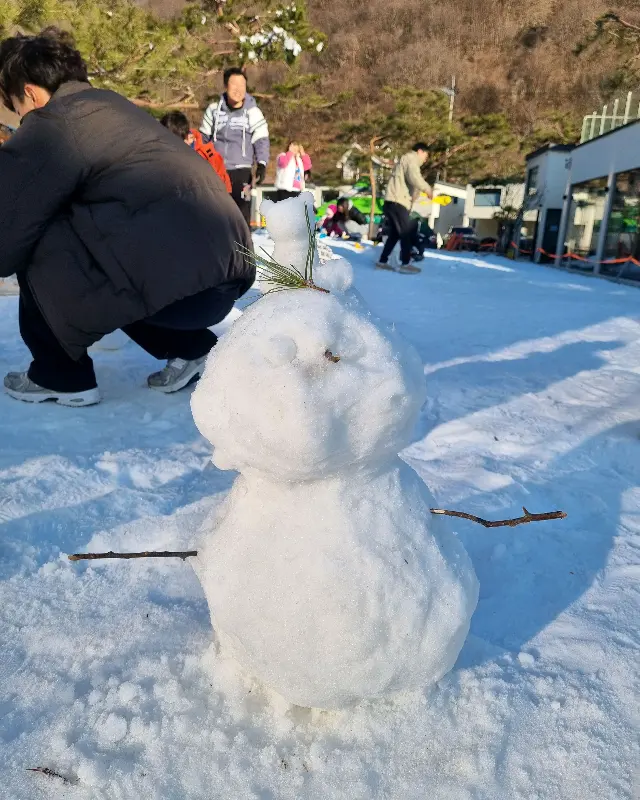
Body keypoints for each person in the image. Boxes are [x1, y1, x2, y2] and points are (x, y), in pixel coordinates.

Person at [0, 31, 254, 408]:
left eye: (14, 105)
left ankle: (60, 373)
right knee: (123, 252)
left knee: (38, 227)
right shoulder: (117, 109)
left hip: (178, 288)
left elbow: (6, 235)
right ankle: (194, 349)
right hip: (225, 280)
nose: (18, 117)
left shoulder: (52, 123)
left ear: (31, 93)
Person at [200, 67, 270, 227]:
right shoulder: (213, 110)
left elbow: (261, 140)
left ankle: (244, 249)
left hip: (242, 170)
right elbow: (203, 139)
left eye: (242, 85)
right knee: (216, 212)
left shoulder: (253, 112)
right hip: (216, 170)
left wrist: (262, 164)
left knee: (241, 212)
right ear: (226, 86)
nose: (238, 90)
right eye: (234, 84)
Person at [376, 143, 433, 274]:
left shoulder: (405, 161)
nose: (426, 159)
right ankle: (405, 264)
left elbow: (410, 182)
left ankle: (382, 262)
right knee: (406, 231)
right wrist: (427, 189)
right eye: (426, 155)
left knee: (395, 234)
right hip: (397, 201)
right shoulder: (411, 158)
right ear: (420, 151)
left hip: (393, 201)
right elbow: (414, 177)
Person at [160, 110, 231, 192]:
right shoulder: (159, 150)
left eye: (176, 142)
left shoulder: (207, 154)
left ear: (188, 137)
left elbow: (223, 184)